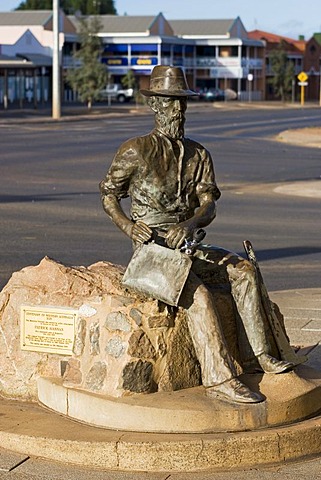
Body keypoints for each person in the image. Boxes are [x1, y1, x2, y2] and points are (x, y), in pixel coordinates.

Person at [99, 65, 295, 404]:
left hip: (188, 243)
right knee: (199, 296)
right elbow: (109, 195)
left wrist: (189, 225)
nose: (179, 110)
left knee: (244, 271)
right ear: (155, 105)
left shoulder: (199, 154)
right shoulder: (135, 150)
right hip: (151, 251)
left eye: (182, 103)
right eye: (171, 103)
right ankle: (220, 379)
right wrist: (130, 227)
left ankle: (257, 355)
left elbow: (209, 207)